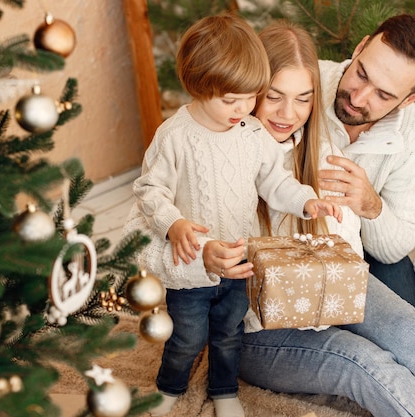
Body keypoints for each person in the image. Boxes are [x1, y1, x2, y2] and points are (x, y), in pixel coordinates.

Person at [127, 17, 415, 417]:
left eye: (303, 98)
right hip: (251, 324)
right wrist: (199, 255)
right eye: (271, 95)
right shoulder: (202, 143)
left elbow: (372, 248)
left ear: (410, 98)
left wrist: (365, 206)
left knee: (413, 335)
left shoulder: (323, 136)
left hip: (328, 289)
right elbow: (137, 236)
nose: (288, 112)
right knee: (366, 364)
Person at [130, 13, 341, 417]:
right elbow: (149, 190)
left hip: (239, 265)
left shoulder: (252, 133)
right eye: (231, 100)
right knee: (187, 338)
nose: (244, 108)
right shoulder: (174, 136)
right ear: (198, 84)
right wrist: (174, 225)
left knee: (229, 334)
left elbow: (274, 181)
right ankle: (169, 387)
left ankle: (225, 391)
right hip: (192, 266)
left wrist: (307, 200)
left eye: (250, 97)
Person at [316, 14, 415, 311]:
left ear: (409, 99)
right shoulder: (303, 83)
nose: (359, 98)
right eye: (362, 74)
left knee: (409, 323)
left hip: (365, 246)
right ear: (361, 47)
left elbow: (396, 246)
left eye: (383, 95)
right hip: (290, 237)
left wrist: (371, 206)